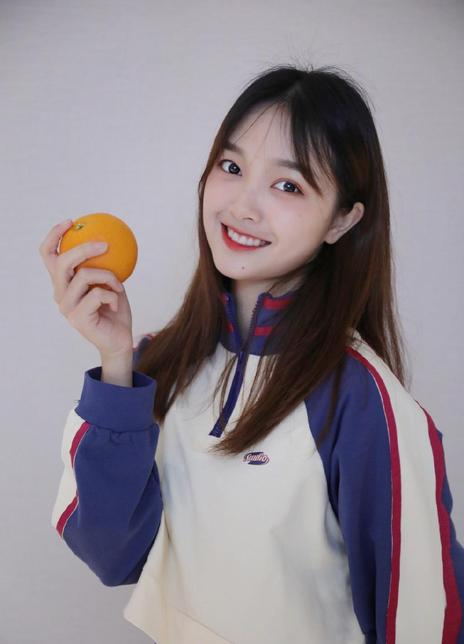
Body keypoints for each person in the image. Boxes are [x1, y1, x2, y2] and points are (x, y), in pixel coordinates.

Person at [41, 64, 464, 643]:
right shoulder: (155, 366)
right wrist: (116, 363)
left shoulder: (363, 401)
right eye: (232, 167)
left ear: (343, 219)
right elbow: (113, 556)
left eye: (288, 186)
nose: (243, 205)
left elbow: (425, 624)